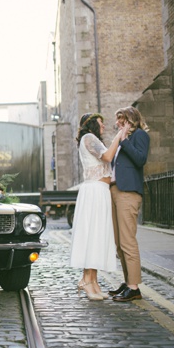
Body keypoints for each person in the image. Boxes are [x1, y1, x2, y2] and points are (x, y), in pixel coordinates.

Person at [70, 113, 128, 300]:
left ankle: (93, 281)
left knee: (98, 236)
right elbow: (108, 156)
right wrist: (120, 135)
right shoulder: (88, 138)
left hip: (101, 191)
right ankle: (86, 280)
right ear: (93, 124)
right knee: (92, 235)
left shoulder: (93, 139)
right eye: (101, 123)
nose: (103, 126)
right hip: (94, 191)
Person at [108, 106, 150, 302]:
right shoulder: (120, 140)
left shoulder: (140, 135)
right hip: (115, 190)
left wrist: (124, 140)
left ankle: (134, 288)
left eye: (120, 120)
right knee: (118, 242)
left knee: (127, 241)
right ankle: (128, 282)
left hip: (128, 193)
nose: (117, 123)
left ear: (130, 120)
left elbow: (140, 159)